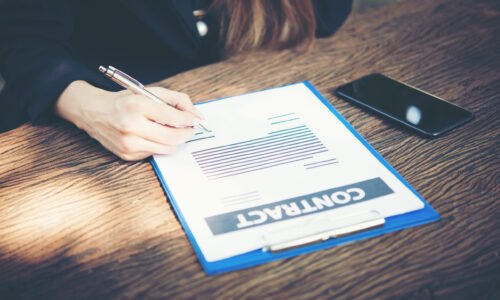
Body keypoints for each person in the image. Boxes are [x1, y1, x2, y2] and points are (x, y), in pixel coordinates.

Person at [0, 0, 352, 160]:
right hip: (90, 113)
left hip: (245, 87)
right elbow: (25, 43)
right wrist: (88, 106)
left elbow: (324, 15)